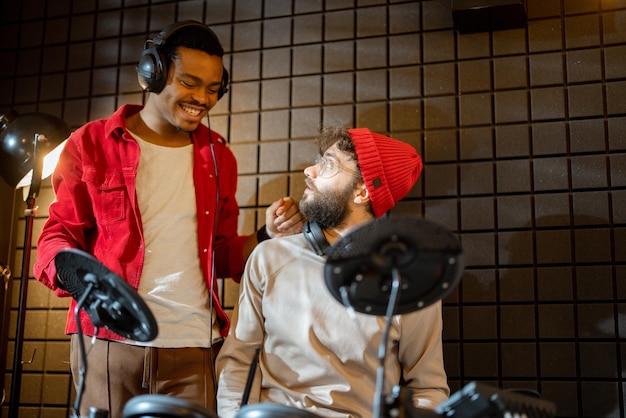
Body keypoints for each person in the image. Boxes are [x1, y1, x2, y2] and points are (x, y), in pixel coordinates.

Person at [33, 20, 304, 418]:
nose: (203, 99)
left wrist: (267, 235)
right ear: (152, 73)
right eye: (190, 83)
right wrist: (77, 277)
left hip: (194, 347)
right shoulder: (90, 143)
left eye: (213, 88)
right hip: (108, 342)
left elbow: (224, 255)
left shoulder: (219, 157)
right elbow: (57, 235)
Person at [216, 125, 450, 417]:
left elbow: (428, 389)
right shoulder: (270, 256)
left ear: (363, 191)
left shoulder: (410, 282)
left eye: (328, 164)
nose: (309, 171)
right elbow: (237, 360)